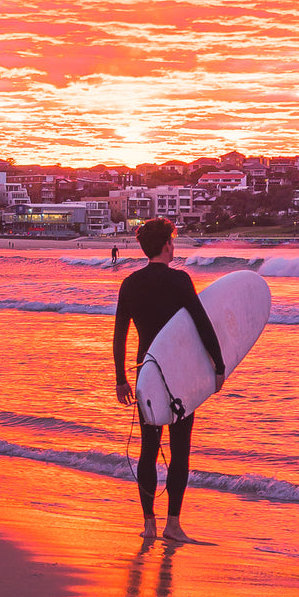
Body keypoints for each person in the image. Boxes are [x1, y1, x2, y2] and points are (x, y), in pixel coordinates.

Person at [113, 217, 225, 543]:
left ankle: (148, 523)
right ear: (166, 245)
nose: (173, 245)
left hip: (146, 372)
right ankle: (172, 525)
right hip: (178, 374)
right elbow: (203, 325)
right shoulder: (179, 281)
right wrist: (219, 366)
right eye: (173, 241)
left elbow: (120, 334)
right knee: (180, 450)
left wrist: (121, 378)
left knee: (148, 449)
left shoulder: (130, 284)